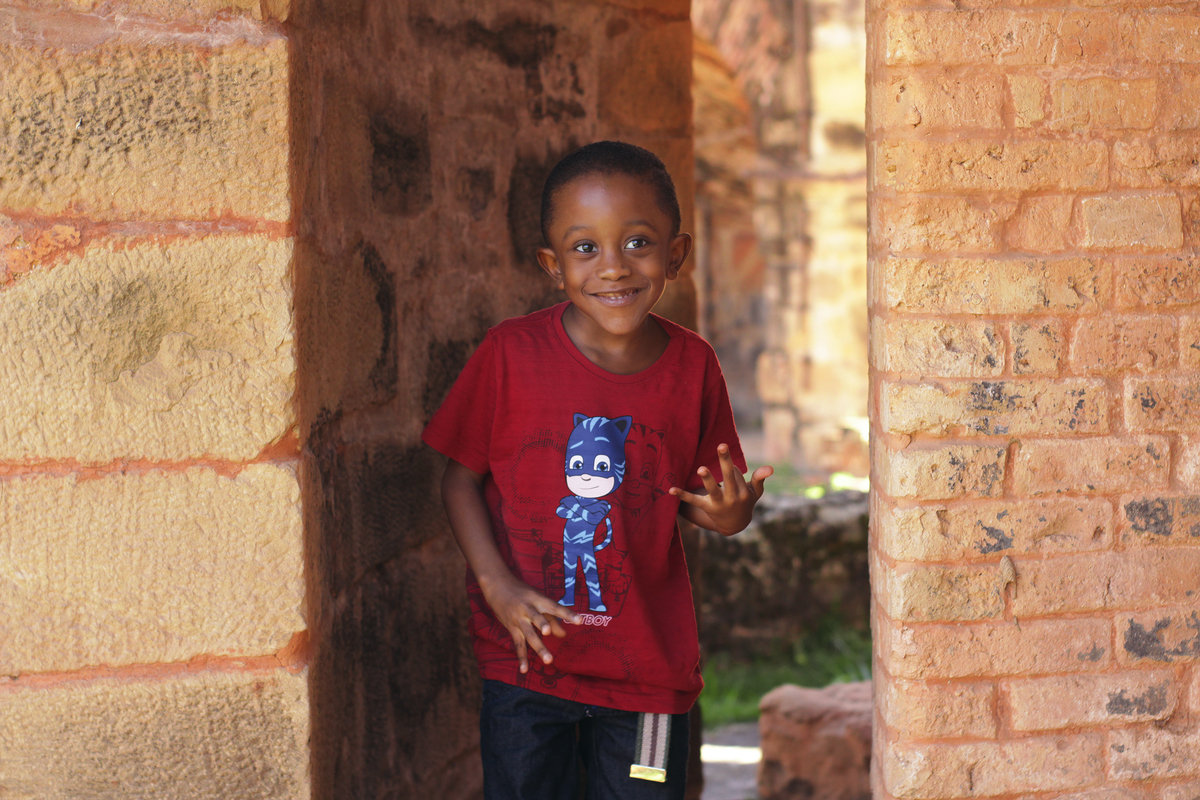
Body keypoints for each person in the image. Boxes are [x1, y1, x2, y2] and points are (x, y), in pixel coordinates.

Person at [422, 141, 773, 800]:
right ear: (553, 266)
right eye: (586, 249)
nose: (613, 267)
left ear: (676, 253)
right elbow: (458, 477)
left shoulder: (694, 367)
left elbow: (708, 500)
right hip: (528, 664)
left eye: (637, 242)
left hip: (648, 675)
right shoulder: (510, 356)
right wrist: (496, 586)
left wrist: (732, 514)